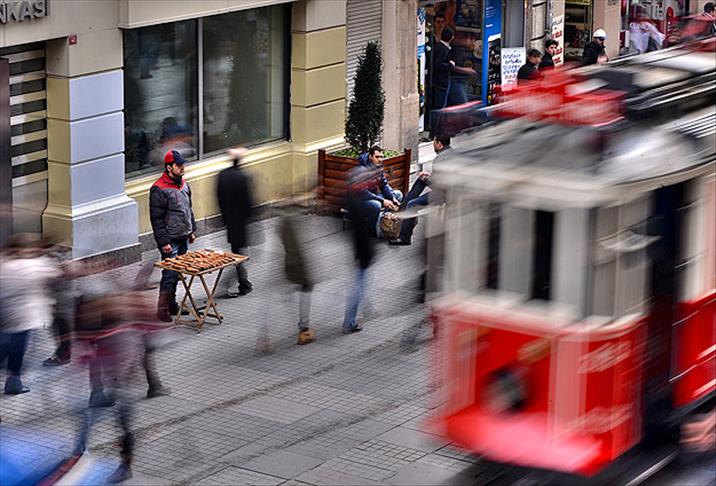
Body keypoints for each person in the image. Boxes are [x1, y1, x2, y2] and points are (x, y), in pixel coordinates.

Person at [0, 235, 61, 395]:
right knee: (16, 349)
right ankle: (13, 381)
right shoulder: (30, 266)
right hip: (21, 318)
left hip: (5, 315)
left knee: (6, 346)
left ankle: (13, 380)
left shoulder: (3, 262)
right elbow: (55, 273)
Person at [150, 150, 197, 322]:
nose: (182, 168)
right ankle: (161, 309)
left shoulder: (184, 184)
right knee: (169, 274)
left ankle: (172, 303)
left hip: (183, 236)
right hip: (170, 240)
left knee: (177, 274)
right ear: (169, 167)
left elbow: (188, 209)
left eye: (182, 164)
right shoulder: (159, 189)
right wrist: (164, 242)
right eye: (178, 165)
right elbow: (156, 220)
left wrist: (192, 230)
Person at [389, 136, 451, 246]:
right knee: (421, 180)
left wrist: (427, 178)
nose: (433, 145)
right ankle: (403, 207)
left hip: (444, 194)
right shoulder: (451, 153)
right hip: (450, 189)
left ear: (439, 144)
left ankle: (404, 238)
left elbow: (438, 184)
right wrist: (427, 177)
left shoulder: (440, 158)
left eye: (434, 143)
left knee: (412, 204)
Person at [343, 167, 380, 334]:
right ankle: (349, 322)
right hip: (363, 250)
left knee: (363, 282)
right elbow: (365, 230)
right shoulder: (360, 204)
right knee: (359, 285)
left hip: (360, 250)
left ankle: (368, 308)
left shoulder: (352, 198)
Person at [277, 198, 316, 345]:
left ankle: (303, 324)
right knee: (305, 291)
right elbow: (298, 249)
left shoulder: (284, 225)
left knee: (299, 290)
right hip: (298, 266)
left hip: (292, 265)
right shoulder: (293, 225)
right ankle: (303, 327)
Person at [217, 147, 254, 297]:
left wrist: (224, 216)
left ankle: (243, 282)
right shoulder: (243, 177)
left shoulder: (222, 175)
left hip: (229, 220)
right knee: (239, 254)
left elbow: (219, 197)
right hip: (241, 222)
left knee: (236, 252)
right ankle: (240, 283)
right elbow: (247, 202)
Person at [357, 145, 403, 236]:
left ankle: (384, 220)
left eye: (381, 157)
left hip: (373, 196)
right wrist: (382, 200)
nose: (380, 159)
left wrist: (392, 198)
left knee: (398, 194)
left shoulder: (378, 166)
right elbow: (363, 192)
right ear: (370, 156)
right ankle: (372, 229)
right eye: (377, 157)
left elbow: (384, 185)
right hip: (361, 199)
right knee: (377, 205)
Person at [447, 32, 480, 105]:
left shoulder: (472, 52)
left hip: (465, 81)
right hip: (456, 81)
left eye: (474, 39)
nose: (473, 41)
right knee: (464, 104)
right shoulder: (456, 50)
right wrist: (467, 71)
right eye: (471, 39)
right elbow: (451, 67)